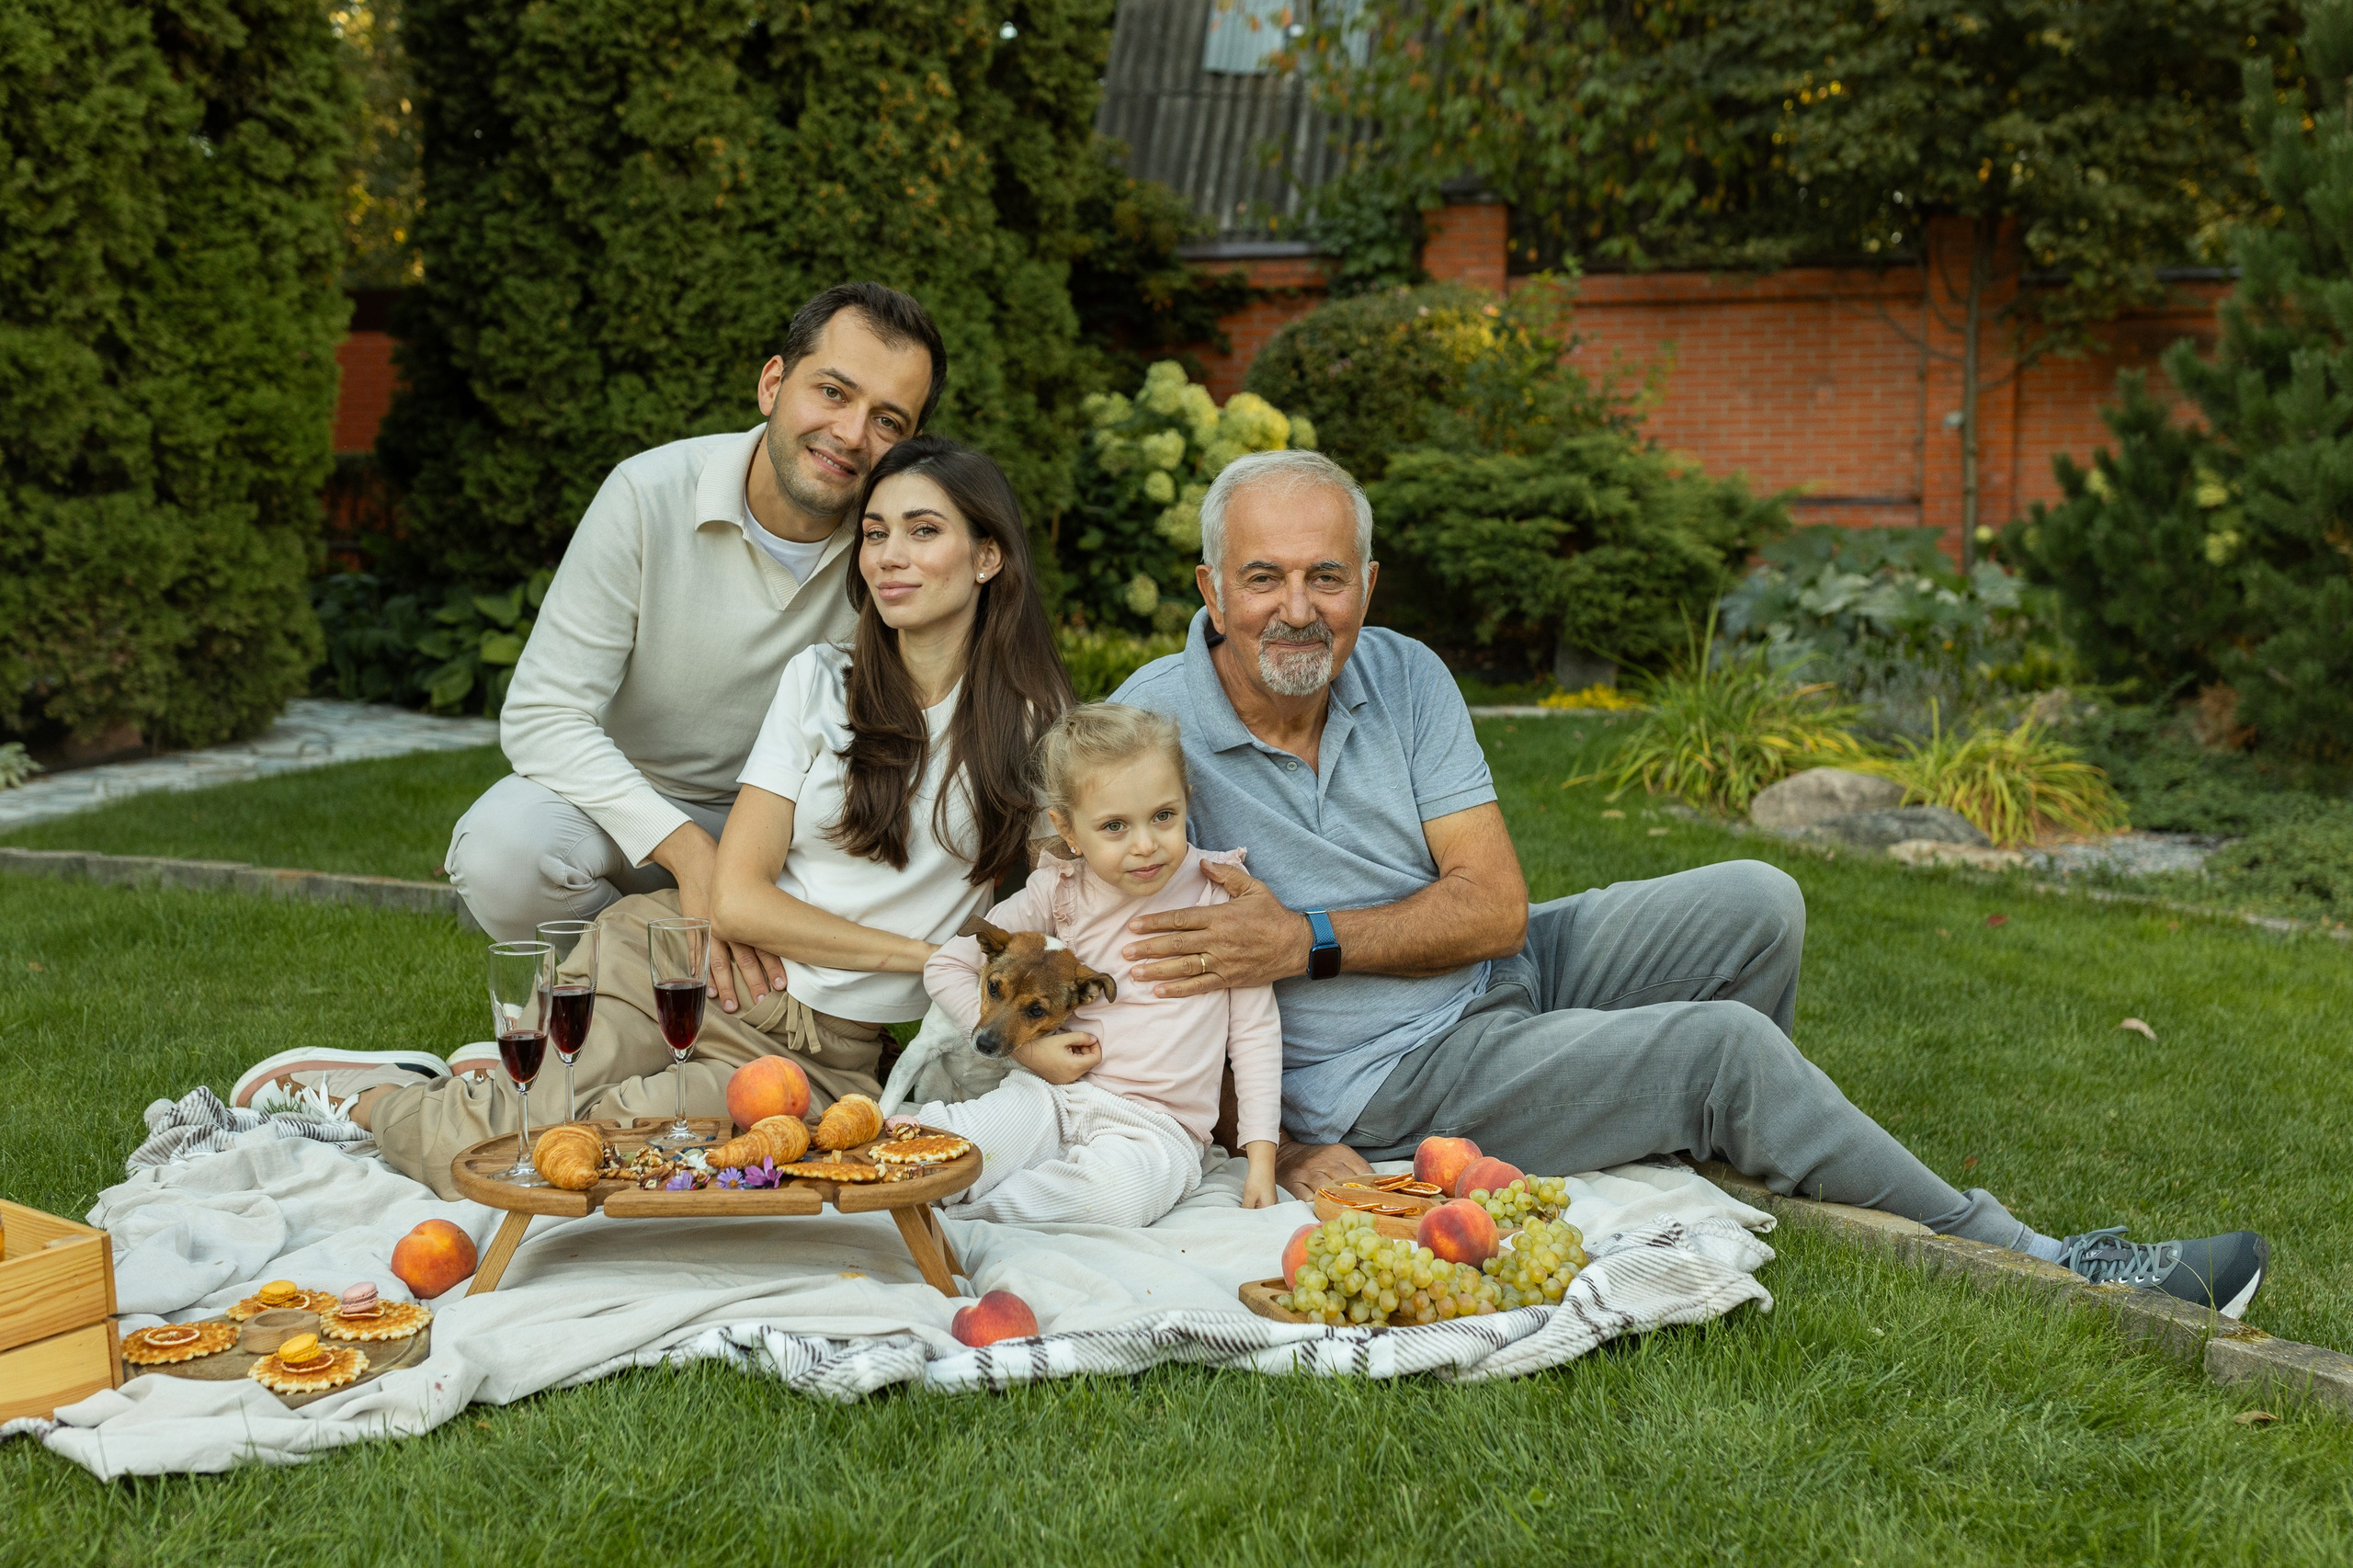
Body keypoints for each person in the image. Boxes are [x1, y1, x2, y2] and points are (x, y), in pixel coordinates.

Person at [1103, 447, 2271, 1318]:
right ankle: (2051, 1261)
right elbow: (1122, 988)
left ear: (1368, 579)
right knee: (1721, 1046)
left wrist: (1303, 936)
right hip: (1390, 1074)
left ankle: (1711, 1159)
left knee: (1761, 896)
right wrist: (1286, 1146)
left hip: (1492, 966)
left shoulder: (1402, 672)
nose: (1296, 609)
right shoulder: (1147, 733)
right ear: (1208, 588)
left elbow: (1493, 904)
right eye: (1263, 578)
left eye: (1326, 576)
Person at [450, 280, 943, 1018]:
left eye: (887, 420)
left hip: (795, 837)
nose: (850, 433)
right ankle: (616, 1006)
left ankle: (665, 1016)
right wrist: (692, 856)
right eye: (833, 391)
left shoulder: (901, 547)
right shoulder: (649, 493)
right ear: (773, 383)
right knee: (503, 850)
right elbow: (542, 714)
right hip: (632, 812)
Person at [905, 702, 1283, 1226]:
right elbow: (946, 966)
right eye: (1114, 826)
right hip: (1052, 1097)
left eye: (1164, 816)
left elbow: (1256, 1033)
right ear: (1069, 831)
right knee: (954, 1145)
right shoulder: (1057, 890)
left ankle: (966, 1220)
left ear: (1186, 799)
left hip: (1158, 1129)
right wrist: (1034, 1053)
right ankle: (914, 1189)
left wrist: (1262, 1161)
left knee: (1112, 1198)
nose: (1146, 844)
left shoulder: (1218, 895)